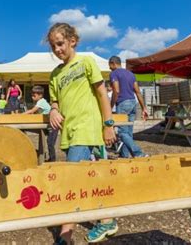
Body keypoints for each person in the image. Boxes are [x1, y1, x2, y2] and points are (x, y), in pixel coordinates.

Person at [48, 23, 117, 244]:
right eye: (53, 46)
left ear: (72, 41)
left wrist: (108, 124)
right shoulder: (55, 74)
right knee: (88, 178)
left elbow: (102, 94)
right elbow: (55, 102)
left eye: (60, 43)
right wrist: (54, 110)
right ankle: (107, 220)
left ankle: (65, 236)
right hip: (67, 133)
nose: (57, 49)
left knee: (72, 181)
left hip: (86, 129)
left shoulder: (86, 62)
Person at [109, 56, 148, 158]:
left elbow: (116, 91)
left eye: (110, 66)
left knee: (122, 133)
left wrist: (110, 106)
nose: (110, 69)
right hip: (132, 103)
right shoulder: (131, 74)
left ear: (113, 63)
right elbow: (138, 91)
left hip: (122, 104)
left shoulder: (114, 73)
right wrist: (144, 107)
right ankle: (124, 156)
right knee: (128, 133)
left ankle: (138, 153)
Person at [23, 85, 59, 162]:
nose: (32, 96)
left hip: (52, 125)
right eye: (32, 94)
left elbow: (32, 111)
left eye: (34, 95)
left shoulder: (41, 102)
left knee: (50, 143)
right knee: (49, 142)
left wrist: (21, 115)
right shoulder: (39, 102)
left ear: (40, 95)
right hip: (48, 125)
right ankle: (48, 157)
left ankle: (52, 160)